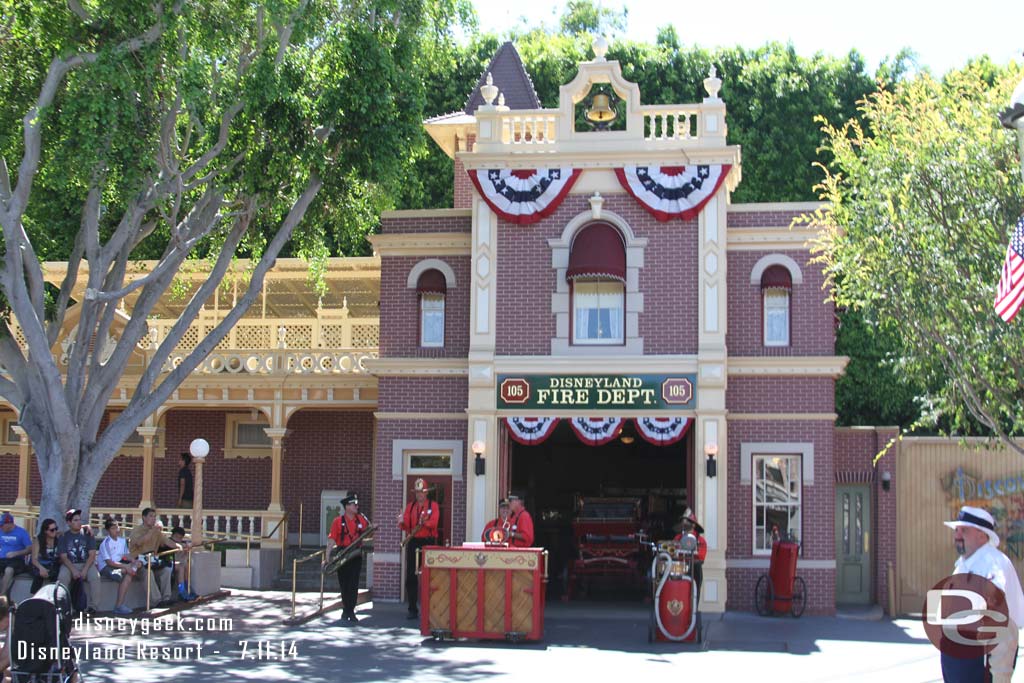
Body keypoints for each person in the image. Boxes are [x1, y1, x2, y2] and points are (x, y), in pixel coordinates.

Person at [941, 505, 1024, 683]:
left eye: (964, 530)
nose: (957, 535)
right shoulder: (965, 563)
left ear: (982, 534)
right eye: (956, 530)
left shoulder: (992, 564)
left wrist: (1000, 675)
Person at [396, 478, 439, 620]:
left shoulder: (433, 505)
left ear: (426, 493)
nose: (420, 495)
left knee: (430, 576)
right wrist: (401, 522)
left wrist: (424, 523)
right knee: (411, 576)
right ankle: (412, 609)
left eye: (422, 492)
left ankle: (430, 609)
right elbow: (407, 526)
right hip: (413, 541)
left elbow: (434, 522)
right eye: (417, 492)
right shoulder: (410, 506)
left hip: (428, 541)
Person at [326, 494, 372, 624]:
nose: (356, 506)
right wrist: (327, 557)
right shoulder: (337, 521)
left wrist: (372, 528)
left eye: (356, 504)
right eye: (353, 504)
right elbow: (331, 540)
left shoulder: (361, 520)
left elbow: (369, 531)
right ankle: (346, 608)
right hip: (342, 552)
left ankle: (350, 610)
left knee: (353, 583)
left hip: (355, 554)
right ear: (347, 507)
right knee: (344, 583)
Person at [127, 508, 177, 606]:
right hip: (139, 563)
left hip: (153, 561)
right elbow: (139, 542)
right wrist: (152, 530)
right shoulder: (137, 530)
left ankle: (166, 598)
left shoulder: (157, 532)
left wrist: (181, 546)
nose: (153, 518)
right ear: (144, 518)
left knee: (166, 570)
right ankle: (156, 601)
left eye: (155, 516)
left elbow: (168, 542)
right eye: (151, 516)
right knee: (148, 572)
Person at [56, 509, 100, 613]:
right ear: (69, 522)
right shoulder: (63, 537)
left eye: (80, 520)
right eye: (75, 520)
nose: (79, 522)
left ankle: (93, 607)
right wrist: (74, 570)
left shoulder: (88, 534)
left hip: (86, 563)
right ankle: (66, 607)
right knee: (62, 577)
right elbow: (63, 557)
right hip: (69, 565)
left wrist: (84, 570)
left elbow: (92, 554)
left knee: (95, 577)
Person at [97, 518, 139, 615]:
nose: (116, 530)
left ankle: (119, 606)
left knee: (130, 574)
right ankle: (126, 571)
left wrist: (133, 561)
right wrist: (126, 567)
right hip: (107, 567)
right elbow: (109, 562)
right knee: (127, 571)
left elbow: (125, 555)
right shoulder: (105, 543)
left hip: (119, 565)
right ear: (108, 531)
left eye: (117, 527)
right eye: (113, 528)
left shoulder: (122, 541)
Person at [673, 508, 708, 605]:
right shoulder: (677, 538)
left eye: (687, 520)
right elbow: (672, 554)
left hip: (694, 568)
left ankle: (693, 613)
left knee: (694, 593)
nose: (684, 522)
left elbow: (701, 557)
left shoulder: (701, 541)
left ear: (693, 524)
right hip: (679, 568)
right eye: (683, 520)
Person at [0, 513, 31, 597]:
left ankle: (2, 596)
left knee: (9, 570)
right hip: (2, 559)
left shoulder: (22, 532)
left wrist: (16, 553)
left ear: (10, 523)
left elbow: (29, 549)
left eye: (2, 525)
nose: (1, 527)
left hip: (16, 560)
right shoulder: (1, 531)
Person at [163, 526, 197, 601]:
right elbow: (169, 557)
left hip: (177, 563)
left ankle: (188, 588)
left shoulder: (181, 543)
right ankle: (182, 591)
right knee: (181, 567)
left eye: (180, 537)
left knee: (186, 565)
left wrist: (185, 551)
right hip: (167, 563)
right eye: (176, 537)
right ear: (172, 535)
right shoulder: (168, 542)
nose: (177, 539)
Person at [30, 518, 60, 593]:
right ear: (45, 531)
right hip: (41, 564)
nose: (55, 531)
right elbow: (34, 559)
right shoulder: (38, 540)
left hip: (53, 564)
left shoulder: (59, 538)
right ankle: (34, 598)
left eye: (56, 529)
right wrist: (41, 568)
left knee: (55, 575)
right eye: (52, 530)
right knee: (38, 576)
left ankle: (54, 598)